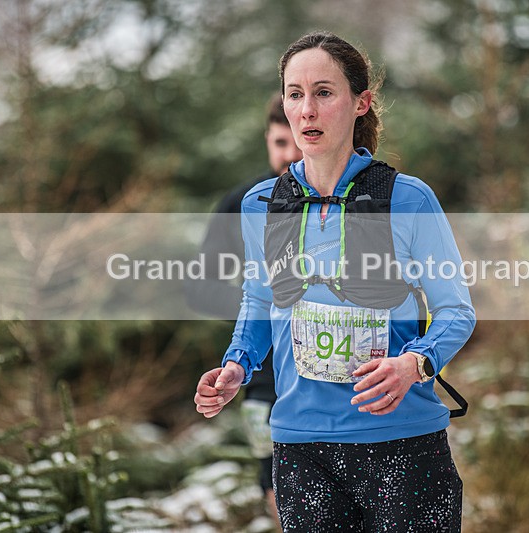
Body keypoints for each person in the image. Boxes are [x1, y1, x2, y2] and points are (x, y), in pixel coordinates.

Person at [194, 31, 475, 531]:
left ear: (361, 102)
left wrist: (414, 363)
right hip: (302, 449)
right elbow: (259, 300)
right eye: (295, 94)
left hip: (402, 443)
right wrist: (236, 365)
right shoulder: (260, 203)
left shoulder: (407, 199)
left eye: (324, 93)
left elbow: (456, 312)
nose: (306, 111)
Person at [186, 94, 301, 528]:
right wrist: (263, 308)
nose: (289, 156)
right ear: (267, 141)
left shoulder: (349, 198)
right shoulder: (244, 204)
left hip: (340, 368)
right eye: (278, 143)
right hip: (264, 377)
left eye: (296, 143)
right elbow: (199, 287)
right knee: (278, 484)